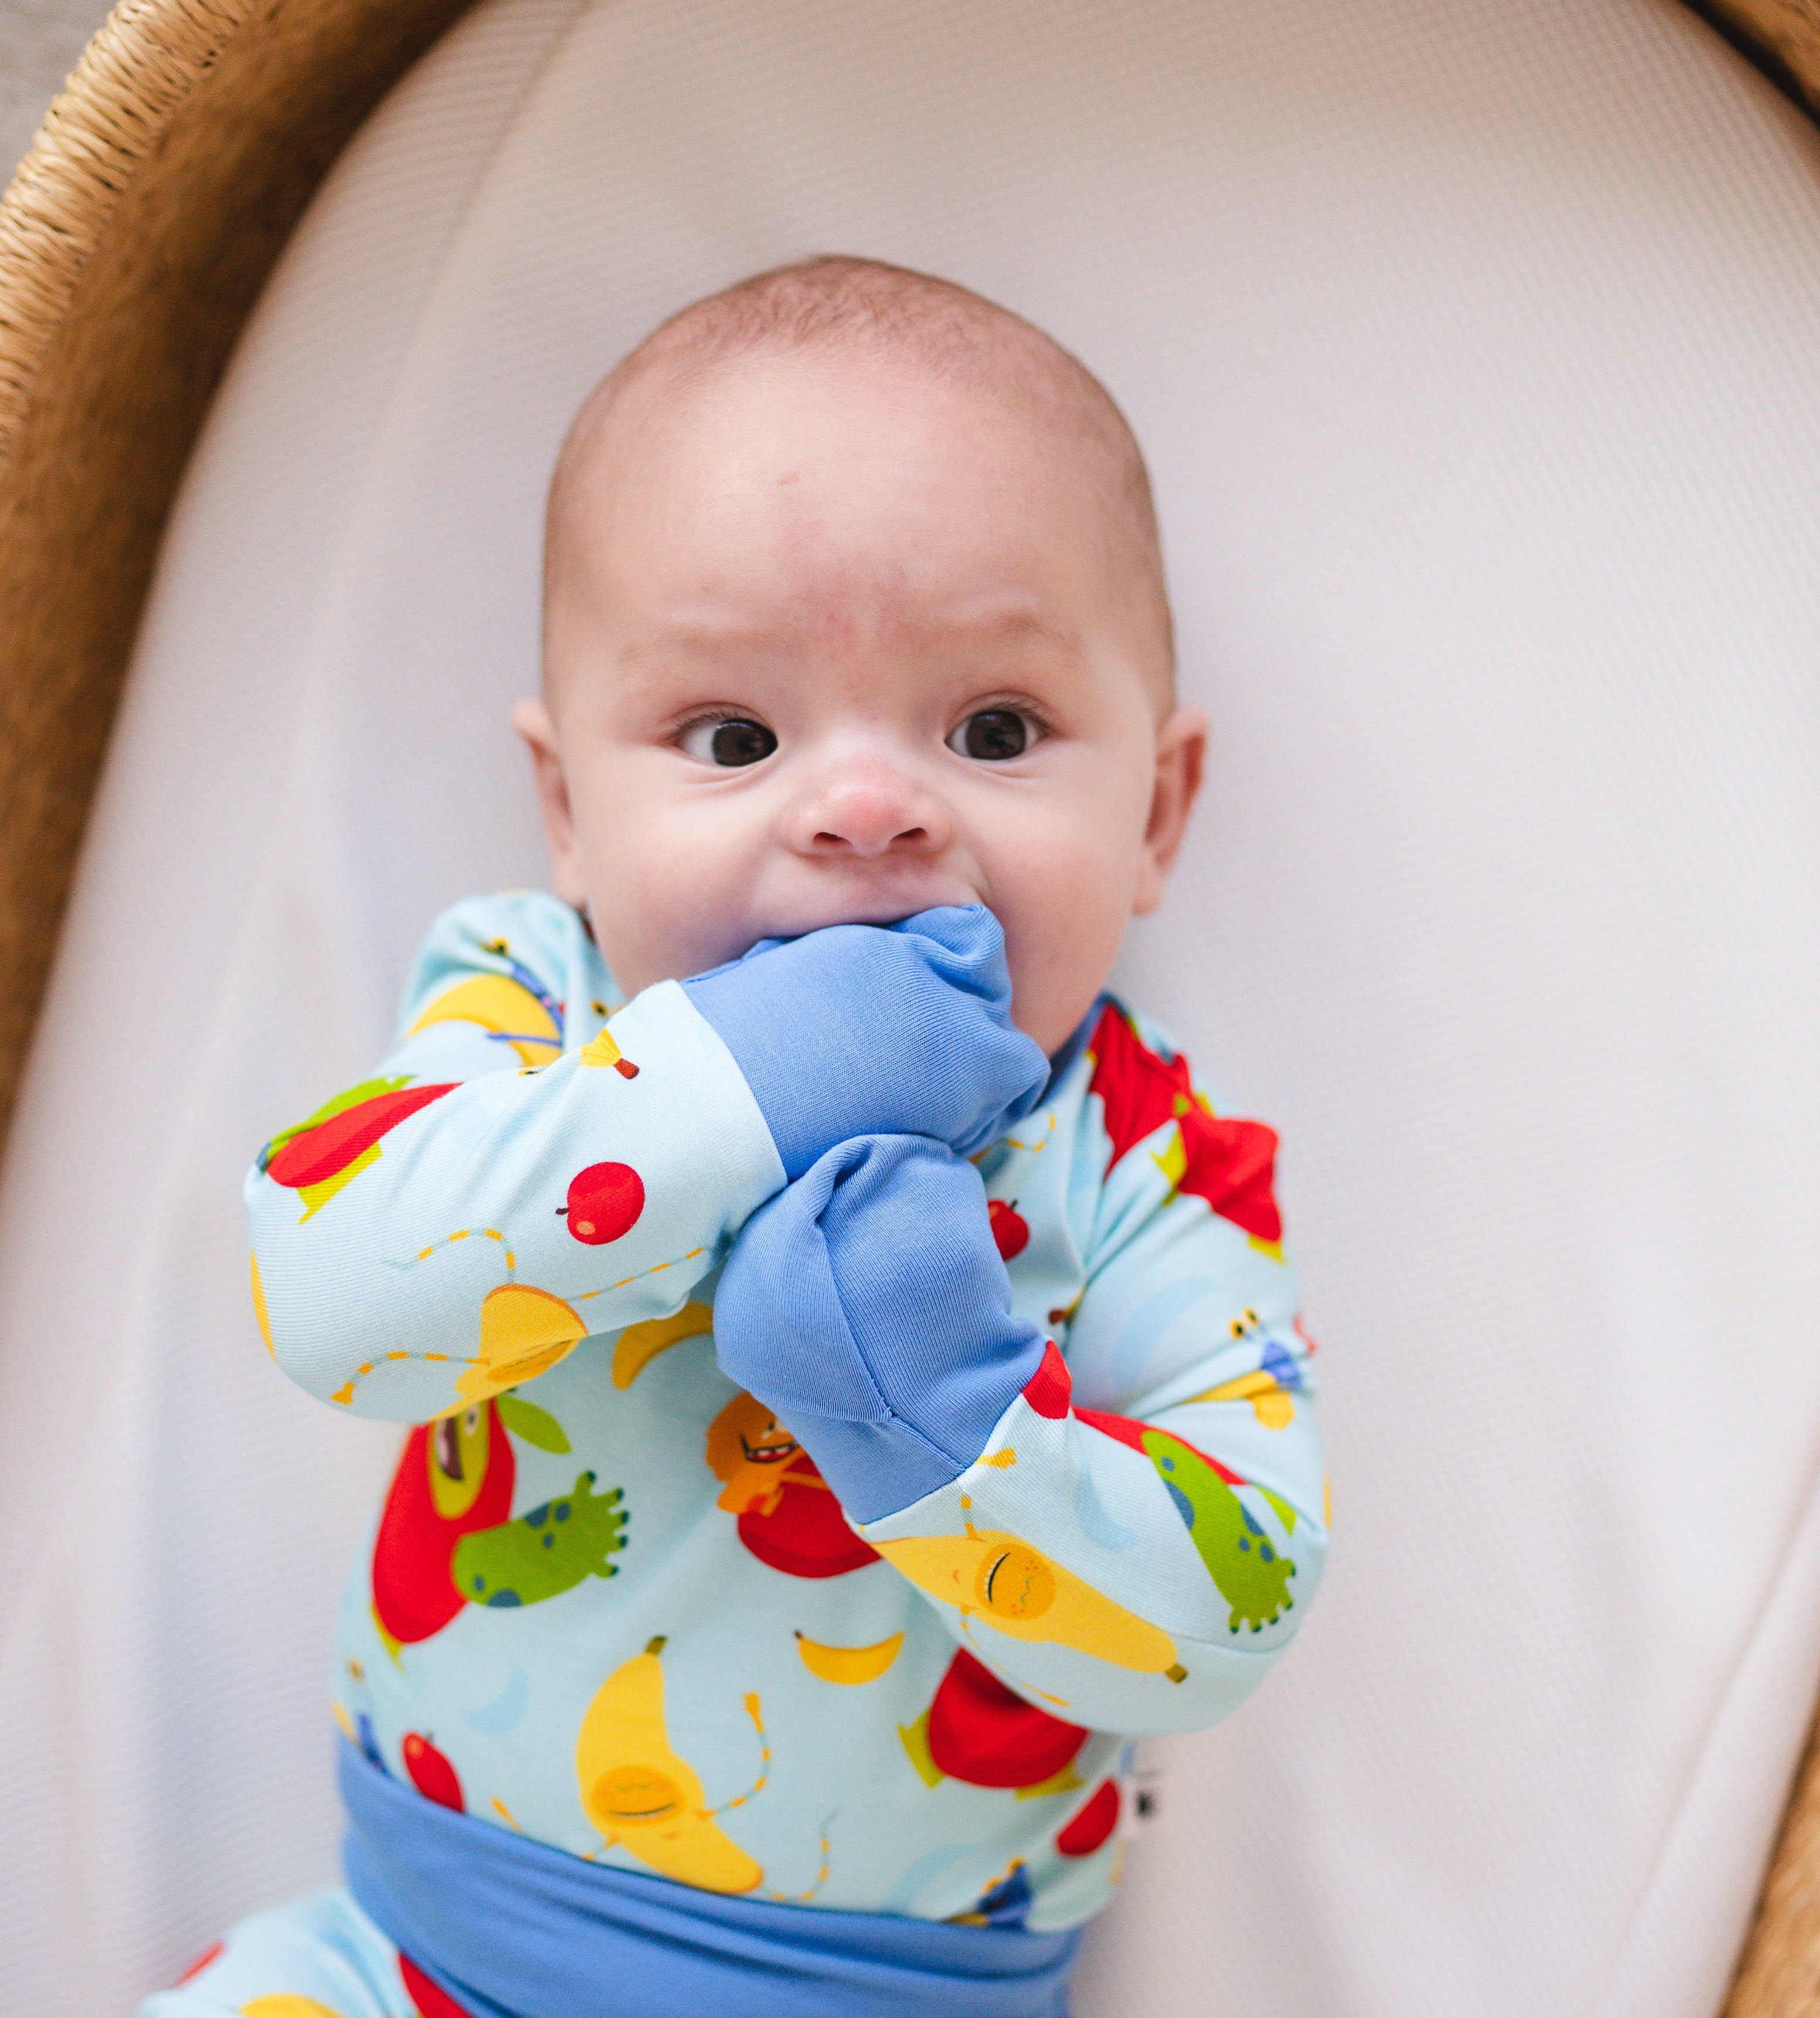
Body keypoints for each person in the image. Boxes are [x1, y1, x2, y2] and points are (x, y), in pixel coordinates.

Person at [147, 257, 1327, 2018]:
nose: (862, 809)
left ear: (1154, 809)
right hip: (411, 1959)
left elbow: (1230, 1613)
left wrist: (942, 1424)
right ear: (569, 809)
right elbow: (329, 1295)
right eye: (735, 735)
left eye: (994, 729)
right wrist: (737, 1083)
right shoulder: (534, 1009)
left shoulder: (1151, 1160)